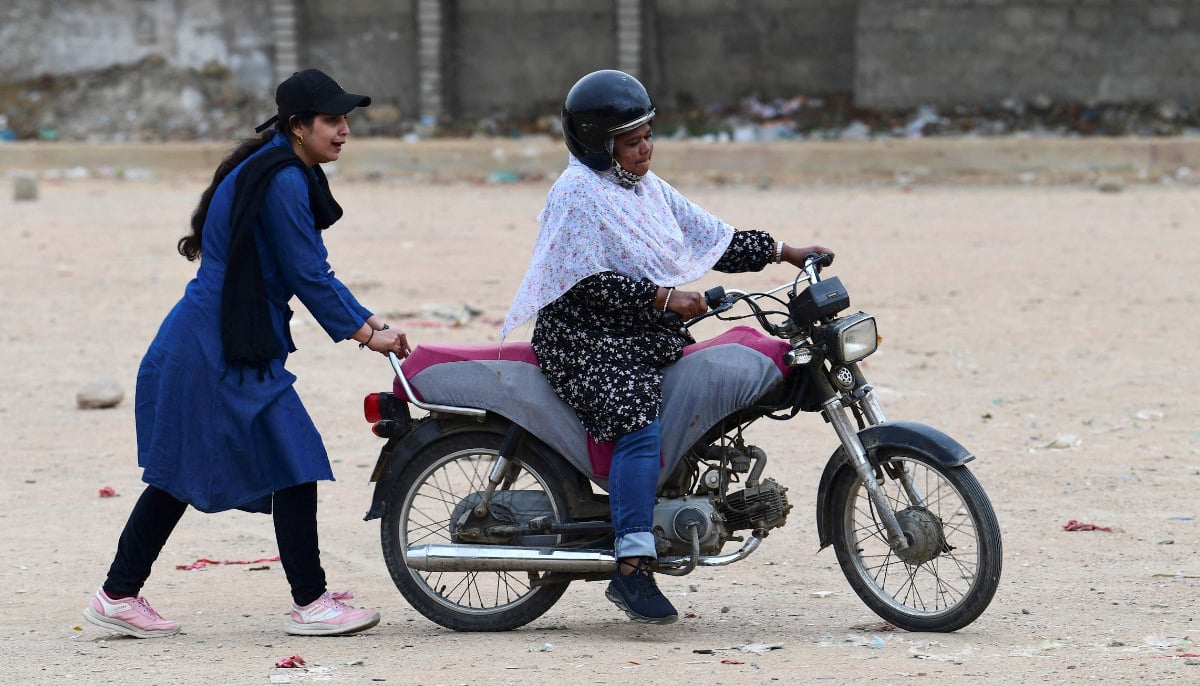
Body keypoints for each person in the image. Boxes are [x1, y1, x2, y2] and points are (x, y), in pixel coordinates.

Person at [83, 68, 410, 639]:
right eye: (332, 120)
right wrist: (366, 332)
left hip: (216, 338)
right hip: (217, 347)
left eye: (346, 120)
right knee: (292, 458)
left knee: (179, 476)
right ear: (298, 127)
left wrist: (369, 321)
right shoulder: (282, 179)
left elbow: (300, 268)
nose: (343, 131)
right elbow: (306, 271)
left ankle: (117, 594)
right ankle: (310, 604)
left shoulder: (271, 165)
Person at [502, 69, 834, 625]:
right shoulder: (577, 194)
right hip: (585, 339)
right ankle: (631, 567)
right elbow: (583, 283)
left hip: (638, 333)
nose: (646, 149)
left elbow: (713, 236)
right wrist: (664, 299)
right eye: (632, 141)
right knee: (638, 417)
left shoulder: (643, 188)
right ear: (598, 144)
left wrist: (787, 252)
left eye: (649, 135)